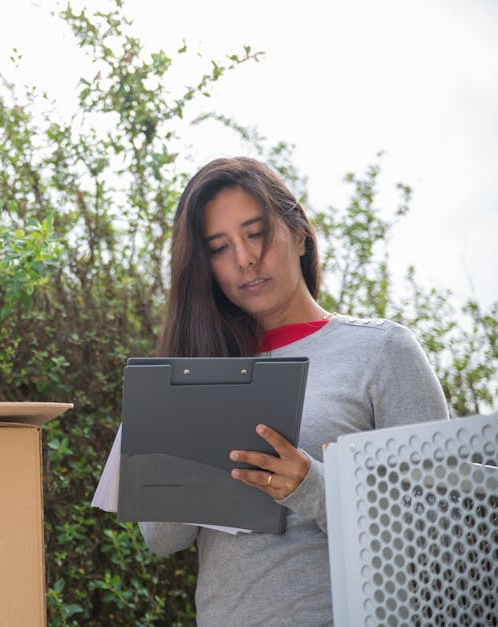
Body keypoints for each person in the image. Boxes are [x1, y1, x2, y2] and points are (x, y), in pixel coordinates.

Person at [137, 157, 449, 625]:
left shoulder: (382, 351)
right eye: (220, 247)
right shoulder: (195, 374)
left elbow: (440, 530)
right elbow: (163, 540)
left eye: (256, 233)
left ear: (300, 234)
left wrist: (314, 489)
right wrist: (171, 446)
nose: (244, 258)